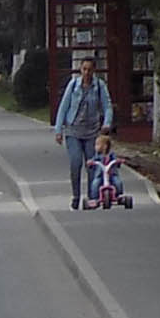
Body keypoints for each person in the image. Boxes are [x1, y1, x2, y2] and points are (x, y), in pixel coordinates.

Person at [52, 56, 114, 210]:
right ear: (80, 70)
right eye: (84, 69)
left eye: (89, 69)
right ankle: (76, 196)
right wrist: (58, 130)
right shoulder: (73, 85)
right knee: (76, 162)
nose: (86, 73)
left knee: (92, 165)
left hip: (92, 132)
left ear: (94, 71)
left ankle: (92, 197)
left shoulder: (99, 86)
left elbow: (107, 106)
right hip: (73, 131)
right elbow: (63, 107)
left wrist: (107, 123)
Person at [84, 130, 134, 210]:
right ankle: (94, 198)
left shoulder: (111, 155)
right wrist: (90, 163)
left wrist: (118, 161)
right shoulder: (97, 156)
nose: (95, 147)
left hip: (111, 174)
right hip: (100, 175)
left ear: (105, 146)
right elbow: (92, 162)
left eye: (97, 145)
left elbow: (116, 161)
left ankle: (119, 195)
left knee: (117, 182)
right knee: (95, 183)